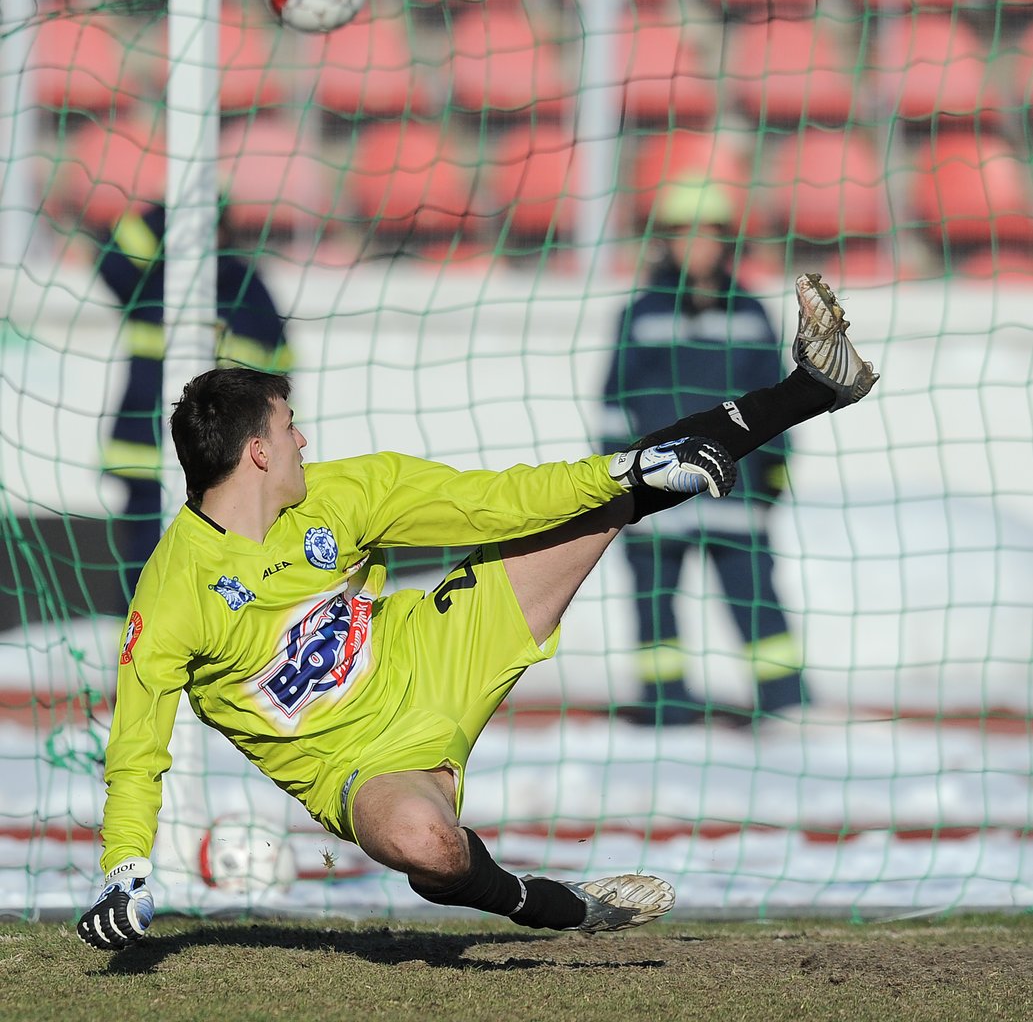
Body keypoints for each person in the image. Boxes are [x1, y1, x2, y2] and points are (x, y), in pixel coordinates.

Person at [76, 273, 878, 950]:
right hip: (356, 764)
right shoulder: (174, 592)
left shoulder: (347, 492)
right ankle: (556, 904)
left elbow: (497, 505)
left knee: (615, 495)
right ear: (256, 453)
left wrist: (629, 465)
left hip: (440, 646)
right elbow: (137, 745)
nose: (303, 440)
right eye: (289, 431)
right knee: (430, 848)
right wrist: (125, 870)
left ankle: (813, 388)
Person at [600, 179, 805, 726]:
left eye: (708, 233)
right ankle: (666, 710)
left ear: (726, 240)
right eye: (683, 232)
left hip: (735, 492)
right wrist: (618, 479)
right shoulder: (639, 315)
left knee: (756, 598)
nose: (697, 245)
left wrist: (776, 474)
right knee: (653, 603)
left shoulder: (751, 314)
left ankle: (786, 707)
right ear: (663, 241)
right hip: (656, 494)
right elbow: (613, 404)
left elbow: (776, 401)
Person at [92, 202, 292, 603]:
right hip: (146, 460)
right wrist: (177, 204)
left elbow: (276, 382)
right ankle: (138, 660)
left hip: (215, 464)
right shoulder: (156, 279)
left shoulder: (247, 289)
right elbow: (110, 260)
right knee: (144, 583)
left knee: (208, 587)